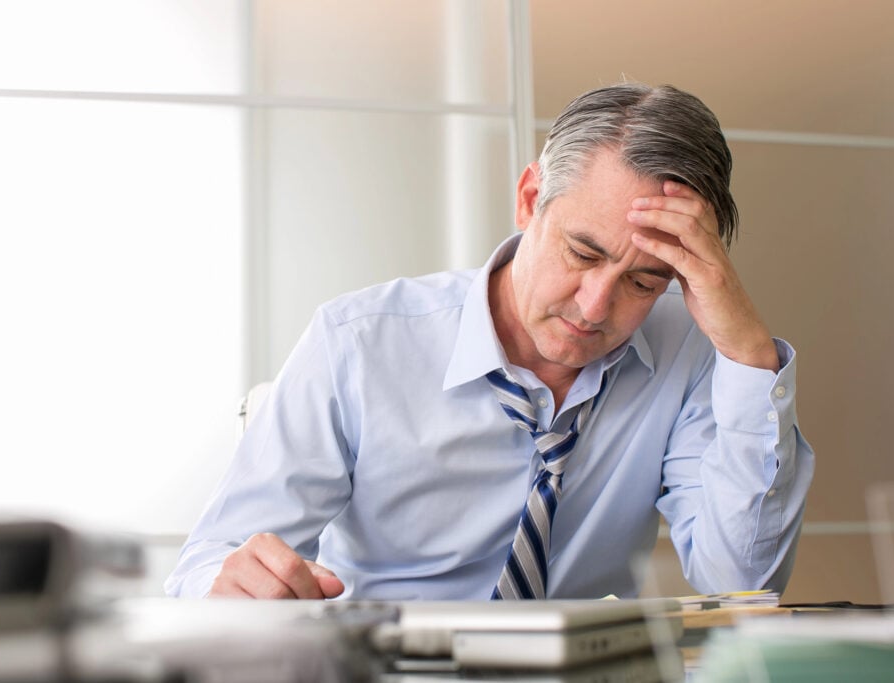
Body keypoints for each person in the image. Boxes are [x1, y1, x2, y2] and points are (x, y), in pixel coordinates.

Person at [165, 83, 815, 601]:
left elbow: (742, 584)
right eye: (581, 251)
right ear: (531, 198)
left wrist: (748, 358)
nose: (595, 308)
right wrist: (237, 585)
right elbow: (207, 564)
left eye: (645, 281)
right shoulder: (358, 345)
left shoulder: (694, 352)